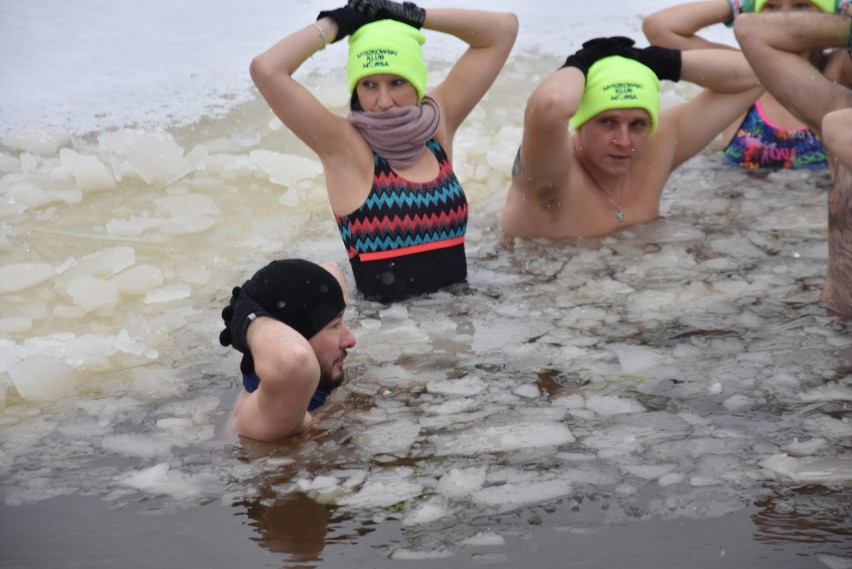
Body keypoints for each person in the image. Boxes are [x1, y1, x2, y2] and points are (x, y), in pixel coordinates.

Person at [249, 1, 518, 301]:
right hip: (391, 337)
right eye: (370, 85)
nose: (385, 101)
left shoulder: (435, 126)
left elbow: (503, 31)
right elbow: (266, 69)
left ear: (417, 83)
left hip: (463, 323)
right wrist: (335, 24)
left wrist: (416, 17)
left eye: (397, 82)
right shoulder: (347, 148)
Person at [500, 37, 764, 239]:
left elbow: (759, 73)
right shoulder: (551, 172)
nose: (624, 141)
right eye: (607, 122)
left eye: (637, 124)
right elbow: (551, 104)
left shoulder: (657, 147)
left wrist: (660, 61)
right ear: (581, 124)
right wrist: (579, 64)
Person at [734, 10, 852, 316]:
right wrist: (847, 27)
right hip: (835, 329)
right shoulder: (841, 107)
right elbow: (752, 29)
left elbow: (838, 128)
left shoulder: (839, 121)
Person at [643, 0, 850, 173]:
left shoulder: (839, 71)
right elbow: (659, 27)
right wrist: (741, 5)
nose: (783, 17)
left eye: (801, 6)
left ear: (828, 16)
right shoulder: (742, 73)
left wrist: (841, 6)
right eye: (771, 7)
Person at [218, 259, 356, 441]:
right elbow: (295, 360)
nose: (350, 340)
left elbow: (332, 268)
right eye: (335, 326)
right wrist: (247, 319)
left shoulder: (316, 384)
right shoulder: (260, 417)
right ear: (294, 335)